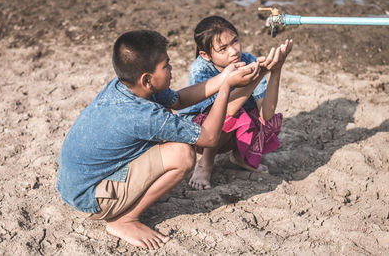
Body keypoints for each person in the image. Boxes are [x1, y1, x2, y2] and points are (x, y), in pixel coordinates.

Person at [56, 30, 266, 250]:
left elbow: (179, 100)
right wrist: (226, 87)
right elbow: (210, 138)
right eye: (166, 65)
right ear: (147, 79)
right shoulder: (144, 115)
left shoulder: (125, 86)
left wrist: (224, 76)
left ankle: (124, 210)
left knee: (170, 130)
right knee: (183, 155)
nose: (171, 68)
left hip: (74, 184)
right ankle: (124, 219)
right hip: (92, 198)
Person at [179, 16, 293, 190]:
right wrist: (258, 75)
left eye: (235, 41)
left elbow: (267, 114)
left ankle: (240, 157)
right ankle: (205, 163)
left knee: (263, 119)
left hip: (233, 125)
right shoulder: (201, 69)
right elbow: (222, 111)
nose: (233, 51)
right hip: (201, 132)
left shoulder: (248, 60)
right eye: (223, 48)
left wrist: (276, 71)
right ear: (206, 55)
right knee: (231, 113)